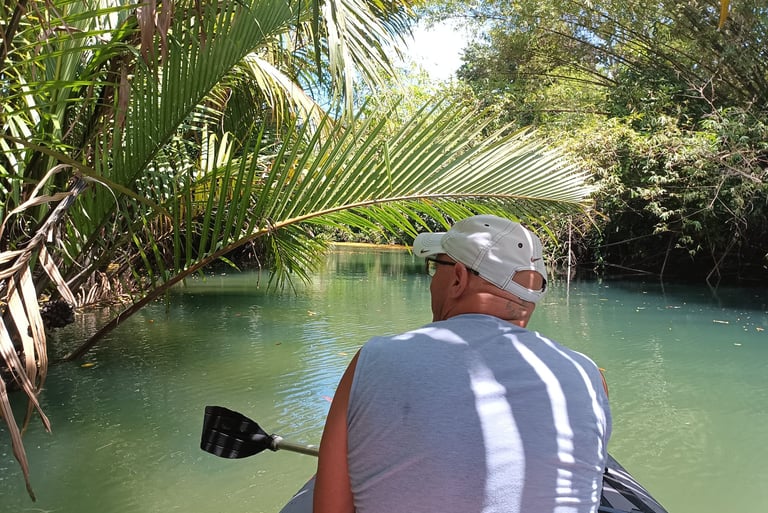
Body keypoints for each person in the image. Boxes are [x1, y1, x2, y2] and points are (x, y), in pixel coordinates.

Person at [313, 214, 611, 513]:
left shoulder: (373, 359)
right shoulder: (588, 376)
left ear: (457, 277)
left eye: (435, 267)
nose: (432, 282)